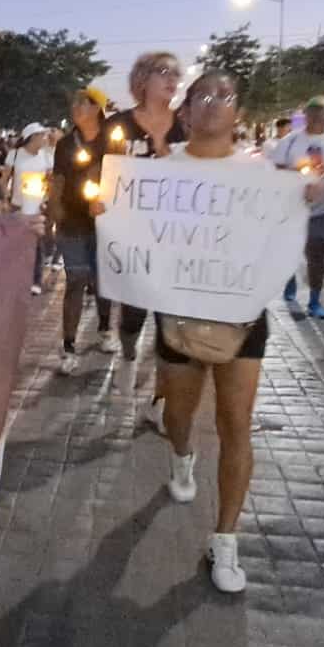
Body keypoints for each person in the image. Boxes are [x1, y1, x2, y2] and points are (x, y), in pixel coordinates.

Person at [109, 70, 269, 593]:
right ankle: (182, 458)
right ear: (185, 112)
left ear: (238, 111)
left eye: (225, 95)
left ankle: (225, 540)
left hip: (242, 314)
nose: (213, 103)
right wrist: (109, 212)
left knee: (235, 424)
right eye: (202, 95)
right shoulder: (158, 170)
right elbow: (136, 233)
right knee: (179, 416)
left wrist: (303, 200)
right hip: (178, 313)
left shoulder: (262, 173)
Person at [109, 53, 188, 419]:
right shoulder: (120, 125)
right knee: (133, 313)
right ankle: (127, 354)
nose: (171, 79)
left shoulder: (188, 125)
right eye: (163, 72)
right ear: (142, 80)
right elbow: (105, 176)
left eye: (176, 74)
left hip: (175, 236)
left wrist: (162, 148)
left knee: (169, 321)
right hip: (133, 236)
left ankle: (160, 398)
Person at [49, 87, 120, 374]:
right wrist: (54, 206)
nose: (76, 106)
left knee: (103, 280)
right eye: (74, 101)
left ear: (97, 109)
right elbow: (58, 179)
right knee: (76, 278)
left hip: (105, 221)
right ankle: (68, 346)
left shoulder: (113, 141)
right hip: (72, 221)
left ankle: (105, 329)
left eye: (83, 102)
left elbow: (124, 177)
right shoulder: (65, 144)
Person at [270, 99, 324, 319]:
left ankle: (314, 300)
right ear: (306, 117)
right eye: (312, 115)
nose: (317, 119)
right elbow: (276, 168)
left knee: (317, 253)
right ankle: (290, 281)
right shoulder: (290, 141)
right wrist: (297, 178)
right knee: (292, 250)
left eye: (321, 115)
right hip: (294, 207)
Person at [2, 122, 54, 295]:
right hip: (17, 205)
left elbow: (50, 180)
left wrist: (47, 198)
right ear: (32, 137)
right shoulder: (15, 155)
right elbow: (4, 179)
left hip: (38, 206)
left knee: (37, 244)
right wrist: (4, 201)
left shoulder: (46, 156)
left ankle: (35, 280)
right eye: (41, 135)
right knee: (15, 243)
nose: (44, 139)